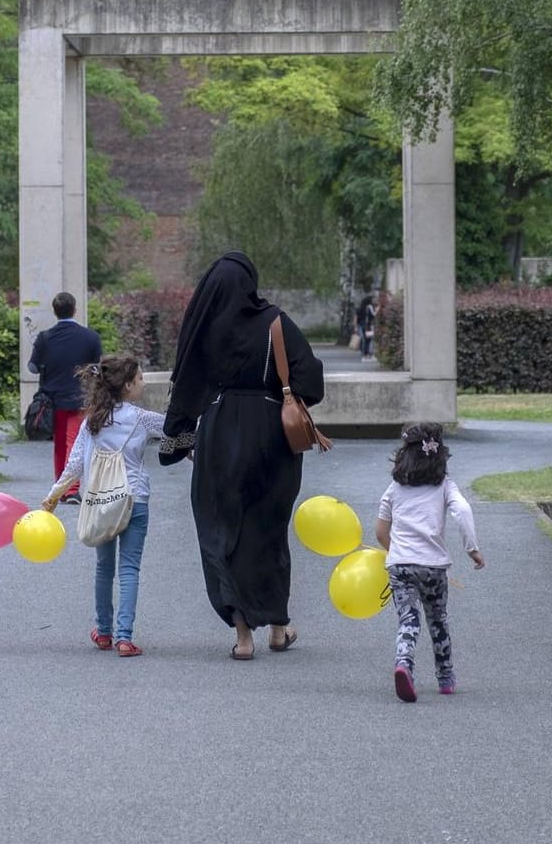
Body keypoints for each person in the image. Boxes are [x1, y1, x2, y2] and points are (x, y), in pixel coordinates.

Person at [160, 251, 325, 661]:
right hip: (272, 436)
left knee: (221, 530)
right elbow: (312, 382)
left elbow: (185, 386)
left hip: (218, 435)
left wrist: (178, 439)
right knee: (268, 532)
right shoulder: (275, 323)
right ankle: (279, 627)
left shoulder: (206, 328)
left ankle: (243, 636)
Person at [42, 356, 164, 657]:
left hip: (102, 501)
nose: (143, 383)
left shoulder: (92, 421)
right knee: (129, 568)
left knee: (104, 568)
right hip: (135, 499)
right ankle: (125, 637)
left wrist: (54, 496)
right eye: (140, 379)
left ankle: (104, 632)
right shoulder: (142, 418)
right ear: (127, 385)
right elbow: (176, 430)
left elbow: (73, 466)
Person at [374, 422, 483, 702]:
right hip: (433, 567)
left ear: (404, 455)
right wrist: (472, 548)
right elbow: (463, 510)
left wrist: (395, 551)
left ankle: (404, 664)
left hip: (400, 567)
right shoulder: (445, 485)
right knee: (438, 620)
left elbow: (380, 531)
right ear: (440, 455)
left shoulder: (394, 488)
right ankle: (445, 678)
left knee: (408, 620)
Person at [28, 291, 102, 502]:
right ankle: (70, 489)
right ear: (75, 309)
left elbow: (32, 368)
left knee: (60, 443)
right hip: (81, 397)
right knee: (73, 442)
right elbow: (96, 367)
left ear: (54, 311)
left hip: (53, 399)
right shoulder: (90, 337)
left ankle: (61, 486)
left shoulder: (44, 338)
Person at [356, 294, 377, 361]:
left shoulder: (362, 307)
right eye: (373, 299)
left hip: (363, 325)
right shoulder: (369, 307)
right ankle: (367, 355)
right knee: (368, 341)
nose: (374, 300)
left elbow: (358, 316)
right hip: (368, 326)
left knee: (365, 340)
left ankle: (365, 355)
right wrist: (377, 310)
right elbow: (373, 315)